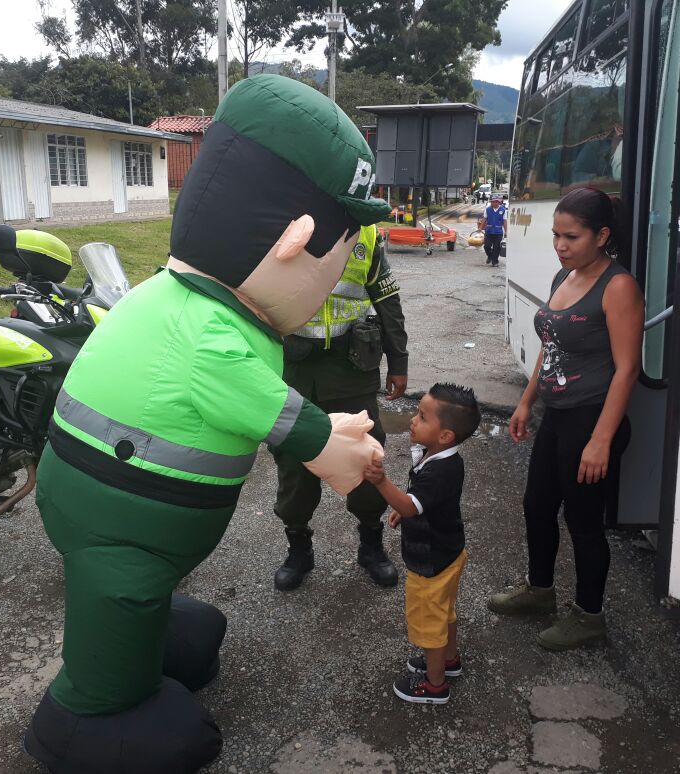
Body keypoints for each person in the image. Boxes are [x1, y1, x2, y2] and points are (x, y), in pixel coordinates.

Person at [23, 74, 391, 774]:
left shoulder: (186, 298)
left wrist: (331, 426)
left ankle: (148, 635)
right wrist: (331, 447)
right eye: (338, 256)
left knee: (148, 603)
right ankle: (84, 712)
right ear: (295, 241)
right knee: (118, 592)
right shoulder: (212, 335)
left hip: (109, 502)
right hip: (115, 527)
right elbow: (268, 409)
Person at [487, 186, 644, 651]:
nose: (560, 245)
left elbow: (627, 369)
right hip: (557, 415)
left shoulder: (618, 287)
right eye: (556, 235)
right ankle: (540, 592)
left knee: (583, 521)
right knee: (536, 506)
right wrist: (526, 400)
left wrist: (601, 439)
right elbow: (550, 345)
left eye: (571, 237)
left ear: (602, 236)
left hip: (592, 419)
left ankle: (588, 616)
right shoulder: (563, 277)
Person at [271, 224, 409, 590]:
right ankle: (298, 547)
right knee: (293, 463)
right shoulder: (280, 222)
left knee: (366, 455)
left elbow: (387, 299)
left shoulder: (366, 232)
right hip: (294, 370)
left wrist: (399, 361)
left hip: (352, 367)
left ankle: (371, 544)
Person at [364, 383, 480, 704]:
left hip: (430, 564)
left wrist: (382, 483)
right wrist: (408, 511)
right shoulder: (439, 456)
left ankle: (434, 684)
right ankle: (449, 660)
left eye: (422, 417)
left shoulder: (440, 469)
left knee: (429, 623)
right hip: (449, 552)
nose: (413, 420)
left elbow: (413, 502)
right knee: (445, 613)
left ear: (446, 436)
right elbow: (422, 501)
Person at [479, 194, 507, 266]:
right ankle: (490, 256)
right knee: (486, 246)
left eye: (496, 202)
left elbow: (504, 221)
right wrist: (480, 228)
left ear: (499, 202)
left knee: (496, 247)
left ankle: (495, 262)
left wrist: (506, 231)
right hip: (489, 231)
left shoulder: (503, 210)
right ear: (491, 202)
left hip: (498, 232)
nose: (495, 203)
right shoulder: (487, 209)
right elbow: (484, 219)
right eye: (493, 202)